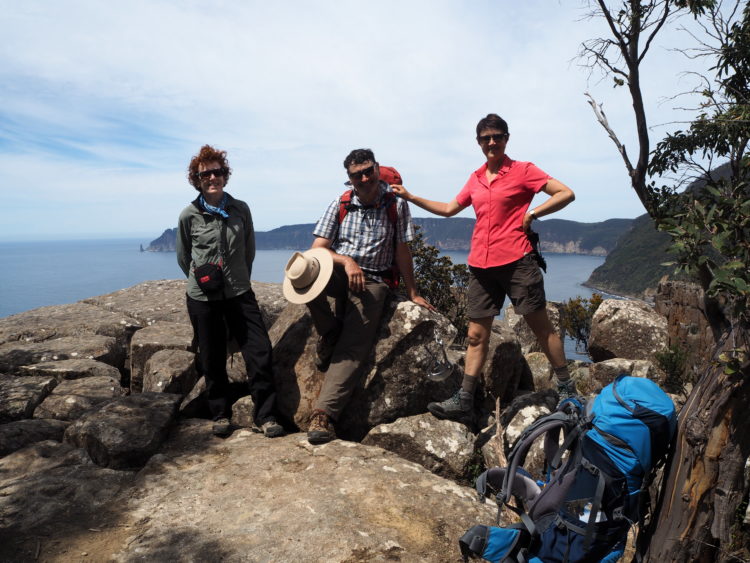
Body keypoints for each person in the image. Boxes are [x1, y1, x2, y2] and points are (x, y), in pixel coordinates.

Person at [391, 114, 576, 424]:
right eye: (485, 138)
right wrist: (411, 196)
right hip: (481, 265)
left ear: (506, 138)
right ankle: (464, 399)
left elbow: (565, 193)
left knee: (541, 328)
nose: (492, 142)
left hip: (518, 261)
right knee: (476, 336)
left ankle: (568, 388)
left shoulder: (523, 170)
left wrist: (532, 213)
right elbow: (449, 209)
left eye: (497, 136)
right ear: (478, 142)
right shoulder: (475, 177)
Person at [284, 149, 432, 445]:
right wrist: (347, 261)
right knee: (305, 274)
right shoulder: (341, 203)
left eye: (368, 171)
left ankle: (324, 414)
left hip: (373, 280)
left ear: (377, 169)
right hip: (341, 271)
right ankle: (329, 331)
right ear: (349, 178)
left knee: (353, 345)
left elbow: (402, 250)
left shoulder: (396, 204)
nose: (364, 179)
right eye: (357, 175)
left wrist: (413, 292)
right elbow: (317, 249)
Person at [177, 144, 285, 438]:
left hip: (239, 292)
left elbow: (248, 251)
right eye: (205, 174)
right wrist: (203, 279)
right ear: (197, 180)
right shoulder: (189, 215)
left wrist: (238, 279)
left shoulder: (241, 209)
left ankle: (266, 416)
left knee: (259, 351)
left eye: (218, 172)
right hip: (203, 298)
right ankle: (220, 413)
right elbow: (184, 257)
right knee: (212, 358)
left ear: (225, 175)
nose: (212, 178)